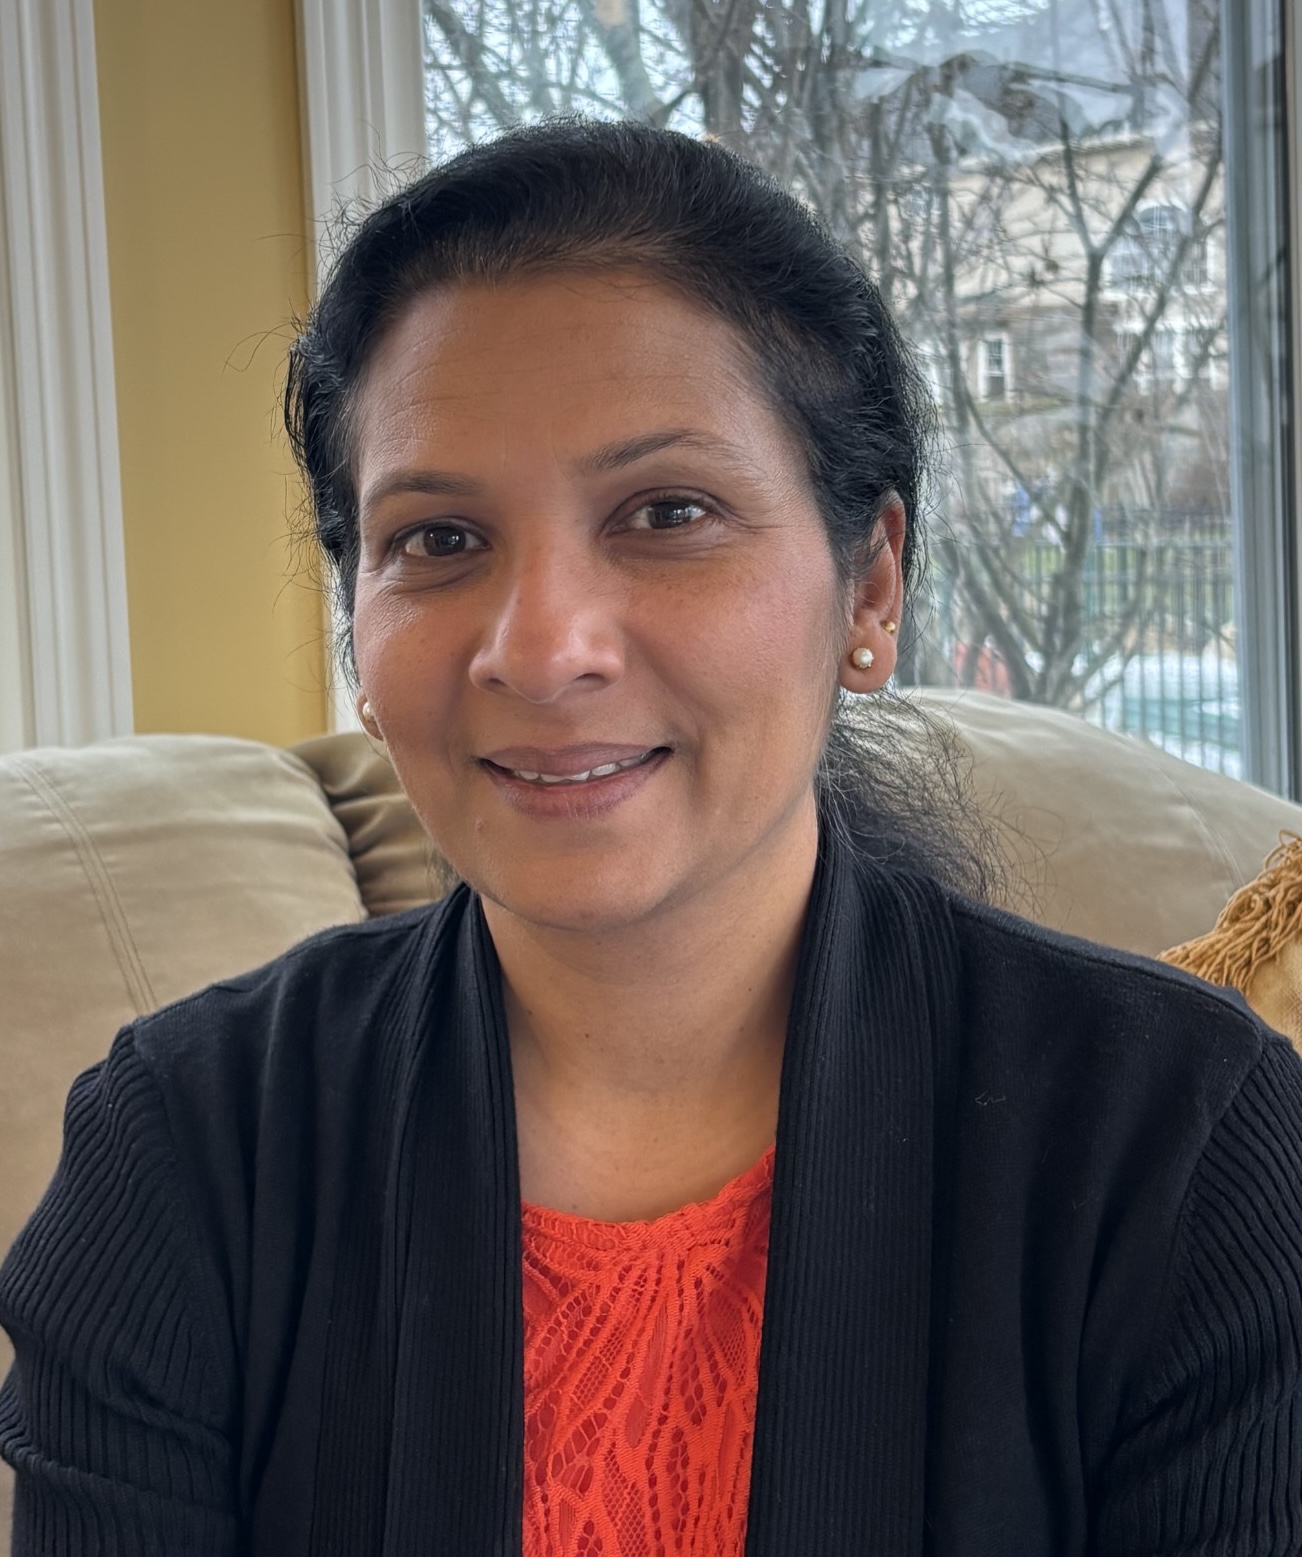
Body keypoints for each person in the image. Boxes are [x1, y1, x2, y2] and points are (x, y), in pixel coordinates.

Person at [1, 119, 1300, 1557]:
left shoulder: (1187, 1147)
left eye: (666, 512)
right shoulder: (185, 1153)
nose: (540, 648)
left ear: (870, 584)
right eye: (438, 539)